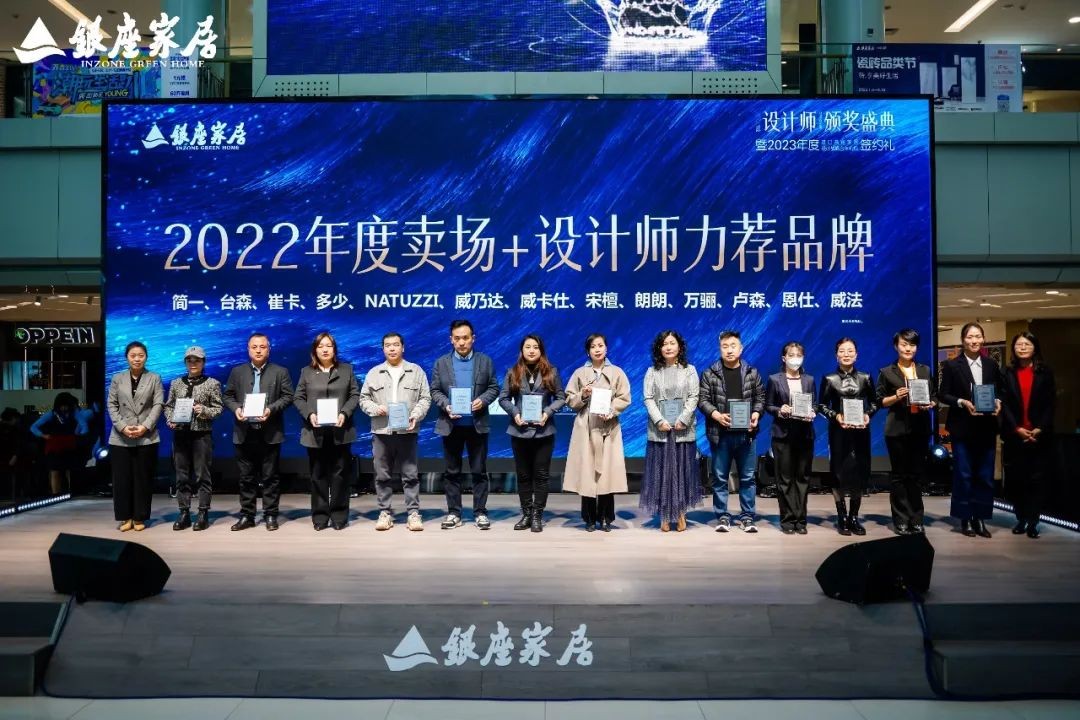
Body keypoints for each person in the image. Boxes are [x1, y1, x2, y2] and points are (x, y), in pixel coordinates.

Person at [429, 320, 500, 531]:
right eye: (457, 338)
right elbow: (435, 391)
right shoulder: (441, 363)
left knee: (479, 471)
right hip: (451, 424)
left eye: (466, 338)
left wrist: (483, 400)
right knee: (452, 472)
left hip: (477, 425)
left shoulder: (485, 361)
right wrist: (446, 405)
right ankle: (454, 513)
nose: (462, 342)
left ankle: (480, 513)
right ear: (451, 340)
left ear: (473, 339)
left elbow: (494, 387)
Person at [359, 332, 432, 532]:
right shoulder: (374, 373)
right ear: (383, 349)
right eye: (387, 345)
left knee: (410, 475)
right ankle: (385, 512)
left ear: (403, 347)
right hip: (381, 432)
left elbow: (425, 398)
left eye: (396, 344)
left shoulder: (416, 371)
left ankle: (413, 513)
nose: (392, 348)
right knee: (382, 475)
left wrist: (415, 415)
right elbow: (363, 399)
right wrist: (376, 409)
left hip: (407, 431)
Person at [222, 333, 295, 532]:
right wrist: (236, 408)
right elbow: (227, 396)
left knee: (270, 476)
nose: (258, 350)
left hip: (270, 431)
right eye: (254, 347)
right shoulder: (237, 372)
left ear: (269, 349)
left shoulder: (280, 371)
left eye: (262, 347)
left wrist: (270, 409)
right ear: (248, 350)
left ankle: (271, 514)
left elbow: (288, 397)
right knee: (246, 477)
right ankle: (247, 515)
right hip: (244, 431)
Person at [939, 322, 1002, 538]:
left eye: (978, 336)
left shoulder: (991, 364)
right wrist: (961, 402)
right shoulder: (951, 365)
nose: (974, 341)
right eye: (970, 337)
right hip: (962, 428)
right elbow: (943, 394)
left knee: (985, 475)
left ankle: (980, 518)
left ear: (983, 339)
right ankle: (965, 518)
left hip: (986, 426)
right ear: (963, 340)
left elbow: (1000, 390)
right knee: (963, 474)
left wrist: (998, 401)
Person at [698, 330, 766, 533]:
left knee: (748, 478)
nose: (729, 350)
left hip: (747, 435)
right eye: (725, 346)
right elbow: (702, 400)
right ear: (720, 349)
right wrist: (716, 415)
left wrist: (756, 414)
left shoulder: (752, 372)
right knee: (720, 478)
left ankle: (747, 517)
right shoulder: (710, 373)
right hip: (720, 435)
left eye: (733, 346)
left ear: (741, 348)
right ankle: (722, 516)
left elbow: (761, 398)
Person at [498, 334, 565, 533]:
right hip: (519, 431)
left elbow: (561, 397)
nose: (532, 350)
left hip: (544, 431)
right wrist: (515, 413)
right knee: (523, 475)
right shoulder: (513, 372)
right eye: (527, 347)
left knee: (542, 475)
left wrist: (547, 412)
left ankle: (537, 515)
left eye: (535, 347)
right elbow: (503, 398)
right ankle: (526, 514)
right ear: (522, 350)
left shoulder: (551, 372)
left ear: (541, 350)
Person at [294, 332, 360, 531]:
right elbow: (298, 398)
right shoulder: (306, 372)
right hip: (315, 432)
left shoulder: (347, 370)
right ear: (315, 350)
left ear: (334, 349)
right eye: (321, 346)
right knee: (318, 475)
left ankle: (339, 515)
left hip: (341, 430)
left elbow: (355, 395)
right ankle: (320, 516)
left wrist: (345, 413)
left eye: (328, 346)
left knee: (340, 475)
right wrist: (309, 414)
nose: (325, 349)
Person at [565, 334, 631, 532]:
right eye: (593, 346)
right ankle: (589, 518)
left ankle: (606, 518)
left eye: (600, 345)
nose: (597, 349)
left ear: (606, 348)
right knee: (587, 474)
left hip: (608, 427)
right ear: (588, 351)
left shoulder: (617, 372)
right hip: (586, 427)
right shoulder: (579, 373)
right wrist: (582, 395)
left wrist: (612, 410)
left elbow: (624, 397)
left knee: (607, 475)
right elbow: (570, 400)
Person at [876, 329, 936, 535]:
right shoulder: (887, 372)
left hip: (920, 429)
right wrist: (896, 397)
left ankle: (916, 518)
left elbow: (934, 395)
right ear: (896, 346)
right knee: (899, 476)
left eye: (912, 344)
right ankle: (900, 519)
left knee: (916, 475)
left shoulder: (925, 370)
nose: (908, 348)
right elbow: (879, 401)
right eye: (904, 344)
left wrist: (931, 403)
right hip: (897, 430)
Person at [640, 330, 700, 532]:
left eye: (672, 343)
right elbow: (648, 398)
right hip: (661, 430)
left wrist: (683, 418)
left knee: (682, 473)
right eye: (664, 344)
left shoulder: (690, 370)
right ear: (659, 349)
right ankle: (665, 515)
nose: (668, 347)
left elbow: (694, 396)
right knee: (662, 474)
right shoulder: (652, 372)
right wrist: (659, 420)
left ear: (679, 347)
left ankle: (681, 513)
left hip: (683, 429)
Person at [817, 337, 878, 536]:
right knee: (838, 472)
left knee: (859, 471)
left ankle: (854, 517)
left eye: (850, 351)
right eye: (842, 351)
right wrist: (836, 416)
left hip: (861, 431)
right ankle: (842, 516)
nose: (846, 354)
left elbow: (875, 403)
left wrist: (868, 415)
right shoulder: (829, 379)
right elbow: (821, 405)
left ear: (856, 354)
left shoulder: (866, 377)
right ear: (836, 355)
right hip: (839, 431)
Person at [1000, 331, 1055, 539]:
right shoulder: (1007, 372)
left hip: (1039, 436)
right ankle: (1021, 518)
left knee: (1036, 481)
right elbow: (1004, 404)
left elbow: (1050, 403)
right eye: (1019, 345)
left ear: (1035, 347)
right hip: (1015, 435)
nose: (1022, 348)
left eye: (1027, 344)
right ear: (1014, 349)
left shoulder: (1045, 372)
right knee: (1017, 480)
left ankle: (1033, 521)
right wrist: (1017, 429)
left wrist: (1040, 427)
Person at [163, 346, 223, 531]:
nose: (193, 363)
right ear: (185, 362)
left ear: (203, 362)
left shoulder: (212, 383)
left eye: (197, 360)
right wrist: (170, 419)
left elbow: (218, 408)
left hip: (201, 434)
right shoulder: (176, 383)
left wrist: (203, 410)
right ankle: (184, 513)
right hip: (180, 434)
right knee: (181, 476)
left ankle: (203, 512)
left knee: (202, 475)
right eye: (189, 360)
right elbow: (169, 406)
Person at [107, 341, 163, 532]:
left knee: (143, 479)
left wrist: (145, 427)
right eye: (133, 355)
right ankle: (125, 518)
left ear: (146, 357)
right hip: (120, 436)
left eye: (140, 355)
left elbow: (158, 405)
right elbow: (111, 405)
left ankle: (139, 517)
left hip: (146, 436)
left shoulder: (154, 378)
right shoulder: (117, 378)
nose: (137, 359)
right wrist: (122, 427)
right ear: (127, 358)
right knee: (122, 479)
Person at [764, 341, 817, 535]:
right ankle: (787, 520)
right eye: (791, 355)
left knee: (802, 478)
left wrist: (813, 412)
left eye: (799, 355)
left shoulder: (809, 380)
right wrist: (780, 410)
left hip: (805, 434)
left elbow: (815, 404)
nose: (795, 359)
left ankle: (801, 520)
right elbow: (768, 405)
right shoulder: (774, 379)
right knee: (784, 479)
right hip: (782, 435)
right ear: (784, 358)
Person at [30, 391, 81, 495]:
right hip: (54, 446)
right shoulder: (51, 414)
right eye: (62, 406)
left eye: (66, 406)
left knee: (70, 470)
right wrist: (43, 435)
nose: (64, 408)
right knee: (55, 470)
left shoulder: (74, 414)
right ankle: (55, 494)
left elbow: (83, 425)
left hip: (69, 444)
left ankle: (71, 492)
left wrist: (79, 434)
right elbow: (33, 427)